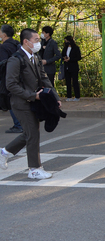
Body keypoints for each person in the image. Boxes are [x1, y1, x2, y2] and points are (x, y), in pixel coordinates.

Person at [0, 28, 62, 179]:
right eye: (36, 40)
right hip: (21, 103)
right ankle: (34, 169)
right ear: (26, 41)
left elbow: (44, 78)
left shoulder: (35, 57)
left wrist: (55, 96)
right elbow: (11, 85)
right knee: (33, 134)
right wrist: (33, 95)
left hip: (33, 102)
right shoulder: (16, 59)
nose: (38, 43)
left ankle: (5, 152)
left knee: (30, 133)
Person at [1, 24, 23, 133]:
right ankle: (22, 123)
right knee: (17, 99)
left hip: (8, 77)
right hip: (20, 76)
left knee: (9, 101)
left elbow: (3, 63)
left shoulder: (4, 47)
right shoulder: (17, 44)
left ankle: (18, 125)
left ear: (4, 34)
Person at [62, 35, 82, 101]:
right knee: (68, 82)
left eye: (67, 41)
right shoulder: (65, 48)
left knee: (75, 82)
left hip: (74, 67)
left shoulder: (76, 48)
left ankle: (77, 96)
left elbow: (79, 57)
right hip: (66, 67)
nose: (66, 42)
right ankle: (69, 96)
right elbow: (62, 55)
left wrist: (70, 59)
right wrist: (64, 58)